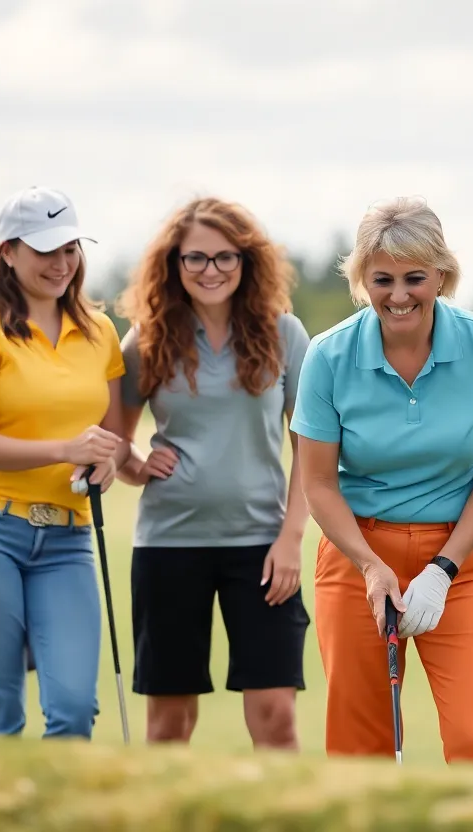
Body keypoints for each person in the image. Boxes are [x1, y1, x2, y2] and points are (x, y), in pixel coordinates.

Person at [291, 196, 473, 769]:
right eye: (382, 280)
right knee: (360, 750)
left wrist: (444, 569)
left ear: (442, 275)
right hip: (357, 559)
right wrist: (372, 566)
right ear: (362, 281)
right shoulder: (329, 355)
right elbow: (319, 482)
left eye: (414, 278)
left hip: (463, 556)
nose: (398, 295)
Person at [0, 186, 129, 739]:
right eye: (45, 250)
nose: (61, 263)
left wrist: (104, 464)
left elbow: (109, 435)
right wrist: (65, 450)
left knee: (72, 707)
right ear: (8, 253)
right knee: (0, 709)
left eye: (70, 248)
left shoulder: (99, 331)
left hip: (67, 538)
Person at [114, 196, 312, 749]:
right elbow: (114, 440)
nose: (211, 271)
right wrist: (134, 463)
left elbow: (312, 450)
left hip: (263, 548)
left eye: (226, 257)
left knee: (275, 717)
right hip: (169, 546)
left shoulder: (284, 333)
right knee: (169, 725)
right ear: (173, 264)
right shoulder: (147, 339)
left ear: (247, 262)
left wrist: (291, 539)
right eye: (195, 258)